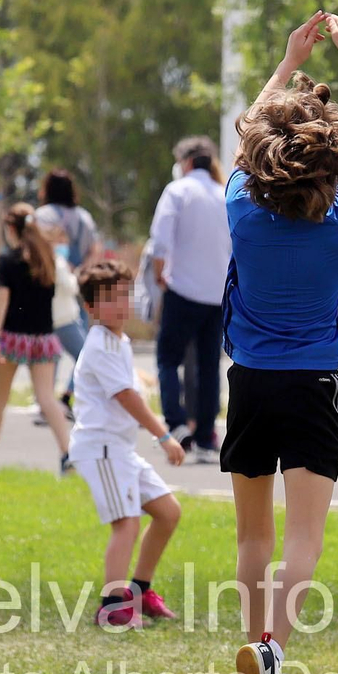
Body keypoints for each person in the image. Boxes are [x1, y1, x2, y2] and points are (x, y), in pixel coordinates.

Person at [222, 10, 338, 674]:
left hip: (249, 382)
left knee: (253, 535)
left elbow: (248, 122)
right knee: (303, 543)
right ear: (328, 153)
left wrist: (288, 59)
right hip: (313, 384)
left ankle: (260, 650)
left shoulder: (238, 208)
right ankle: (273, 654)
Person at [68, 259, 187, 628]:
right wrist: (164, 436)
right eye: (109, 298)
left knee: (168, 512)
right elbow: (125, 397)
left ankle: (139, 592)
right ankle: (112, 606)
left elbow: (127, 384)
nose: (121, 304)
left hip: (119, 449)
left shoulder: (117, 341)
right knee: (127, 524)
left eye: (125, 295)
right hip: (101, 448)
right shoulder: (100, 345)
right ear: (89, 308)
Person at [0, 202, 72, 474]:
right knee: (47, 399)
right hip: (44, 338)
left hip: (12, 338)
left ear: (11, 228)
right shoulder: (48, 259)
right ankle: (68, 454)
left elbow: (1, 299)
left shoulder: (7, 260)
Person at [148, 135, 231, 463]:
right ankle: (206, 435)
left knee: (169, 359)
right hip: (217, 295)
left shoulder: (178, 191)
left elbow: (159, 241)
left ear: (184, 162)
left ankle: (177, 423)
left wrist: (159, 275)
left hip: (182, 290)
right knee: (209, 365)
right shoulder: (224, 194)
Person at [35, 169, 102, 410]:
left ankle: (44, 398)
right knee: (82, 347)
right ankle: (69, 394)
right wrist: (81, 272)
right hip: (78, 288)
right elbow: (94, 250)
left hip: (49, 290)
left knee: (47, 345)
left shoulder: (41, 216)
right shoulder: (84, 217)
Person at [31, 223, 85, 425]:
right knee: (84, 355)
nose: (64, 245)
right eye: (60, 241)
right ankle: (64, 397)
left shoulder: (42, 262)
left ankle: (47, 406)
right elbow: (70, 287)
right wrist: (76, 275)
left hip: (50, 321)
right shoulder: (58, 262)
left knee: (52, 362)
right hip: (65, 320)